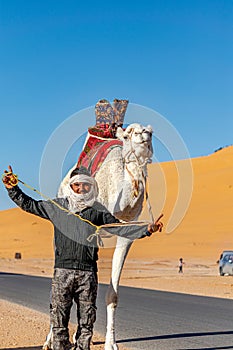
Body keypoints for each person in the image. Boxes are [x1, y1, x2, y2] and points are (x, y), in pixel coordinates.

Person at [3, 165, 163, 350]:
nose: (81, 189)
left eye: (86, 185)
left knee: (86, 322)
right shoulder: (58, 206)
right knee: (58, 319)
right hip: (62, 273)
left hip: (87, 275)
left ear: (91, 187)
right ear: (71, 186)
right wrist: (12, 189)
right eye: (77, 184)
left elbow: (120, 228)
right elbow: (30, 205)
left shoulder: (97, 211)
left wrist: (147, 229)